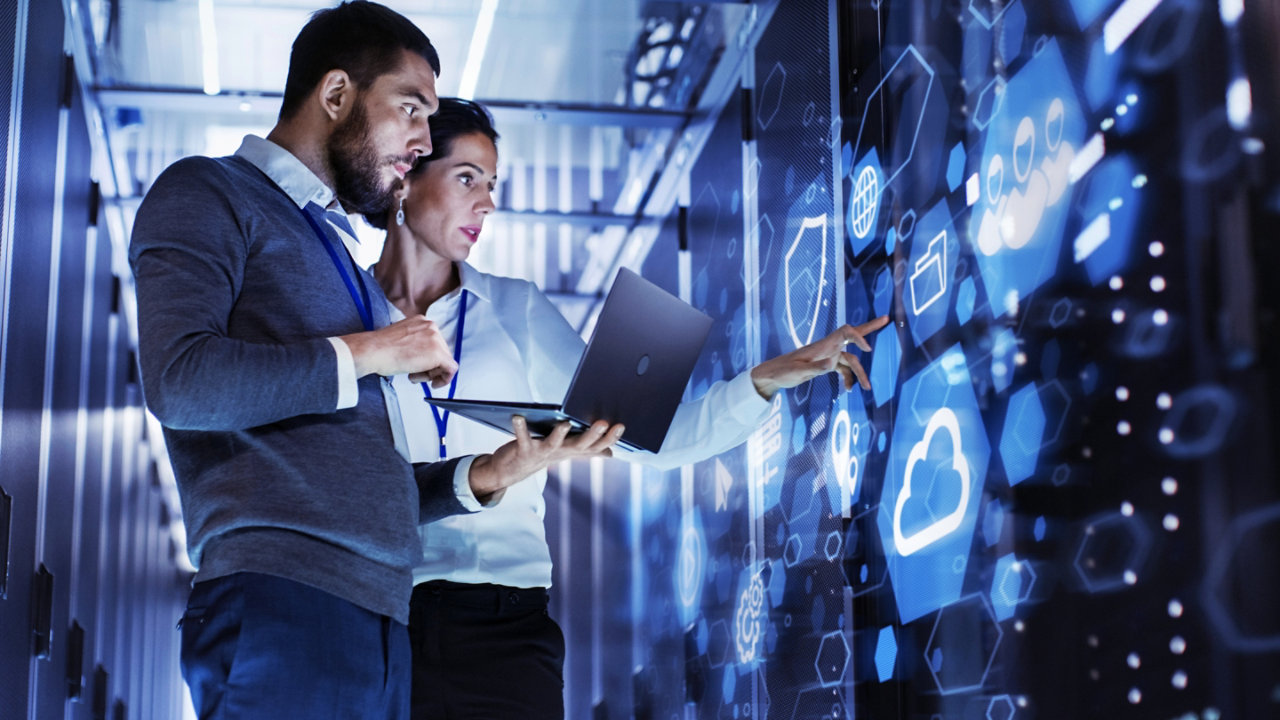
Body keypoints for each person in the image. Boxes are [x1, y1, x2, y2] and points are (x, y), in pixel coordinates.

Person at [128, 5, 619, 719]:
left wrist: (488, 476)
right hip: (284, 600)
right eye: (411, 109)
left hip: (380, 619)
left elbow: (362, 475)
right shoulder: (209, 193)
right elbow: (182, 382)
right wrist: (376, 349)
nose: (422, 141)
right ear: (335, 96)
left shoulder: (343, 265)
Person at [368, 97, 890, 719]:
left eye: (493, 184)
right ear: (407, 176)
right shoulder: (346, 316)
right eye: (466, 178)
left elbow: (653, 439)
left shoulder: (517, 311)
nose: (487, 203)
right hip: (379, 619)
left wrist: (768, 379)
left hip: (504, 628)